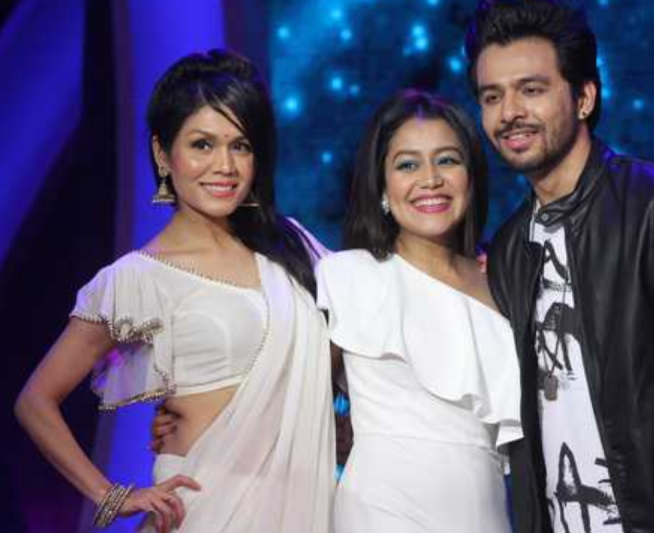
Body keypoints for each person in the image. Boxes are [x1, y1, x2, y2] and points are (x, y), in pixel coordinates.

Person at [463, 2, 654, 533]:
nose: (509, 111)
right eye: (492, 96)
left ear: (584, 97)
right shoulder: (512, 249)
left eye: (531, 89)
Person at [14, 49, 335, 533]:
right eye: (202, 144)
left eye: (241, 146)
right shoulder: (136, 278)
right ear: (164, 154)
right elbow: (35, 401)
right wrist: (111, 496)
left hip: (302, 509)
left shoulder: (293, 246)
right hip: (203, 512)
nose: (224, 165)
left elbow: (352, 344)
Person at [316, 89, 523, 533]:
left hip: (485, 513)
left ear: (471, 176)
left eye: (447, 160)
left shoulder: (505, 284)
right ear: (382, 185)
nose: (430, 179)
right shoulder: (349, 276)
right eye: (407, 165)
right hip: (382, 512)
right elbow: (294, 402)